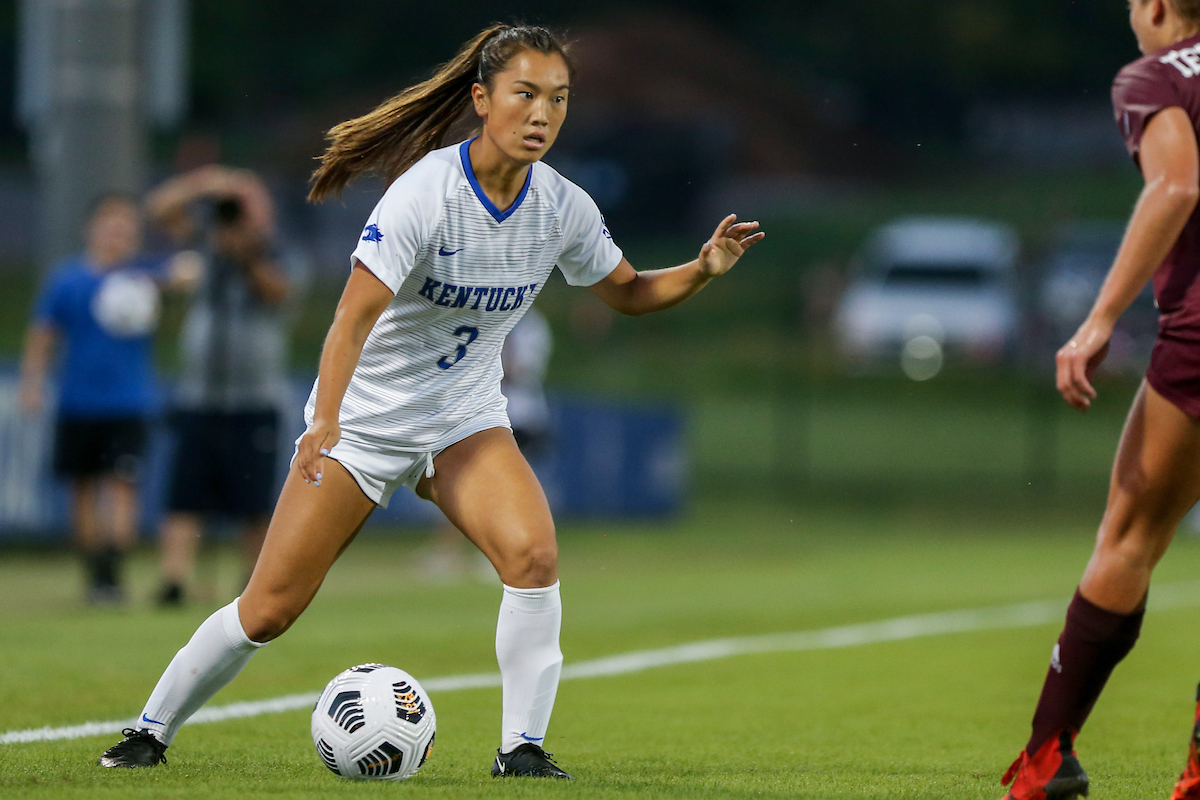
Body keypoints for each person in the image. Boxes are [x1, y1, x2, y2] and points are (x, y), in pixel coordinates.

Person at [97, 23, 763, 778]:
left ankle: (522, 751)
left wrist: (703, 268)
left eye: (558, 99)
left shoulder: (563, 206)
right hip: (366, 422)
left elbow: (631, 292)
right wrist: (326, 420)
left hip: (463, 419)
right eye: (525, 94)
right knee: (270, 608)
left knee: (534, 557)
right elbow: (351, 319)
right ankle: (148, 731)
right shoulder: (426, 192)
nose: (542, 113)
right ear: (481, 99)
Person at [1000, 2, 1200, 798]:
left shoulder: (1155, 77)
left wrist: (1099, 320)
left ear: (1156, 6)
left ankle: (1046, 759)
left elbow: (1177, 185)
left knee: (1130, 537)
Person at [144, 166, 292, 606]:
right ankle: (174, 579)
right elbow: (158, 211)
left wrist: (246, 256)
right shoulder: (205, 245)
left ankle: (254, 581)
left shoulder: (278, 251)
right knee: (185, 492)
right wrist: (204, 185)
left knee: (252, 497)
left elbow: (278, 293)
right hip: (200, 395)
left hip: (255, 396)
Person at [18, 194, 161, 604]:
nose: (118, 236)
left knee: (122, 485)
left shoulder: (143, 278)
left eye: (126, 229)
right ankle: (94, 573)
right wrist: (32, 382)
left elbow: (184, 273)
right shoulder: (67, 280)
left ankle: (113, 571)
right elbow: (43, 332)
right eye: (111, 227)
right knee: (82, 489)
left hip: (129, 402)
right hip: (77, 401)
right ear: (92, 230)